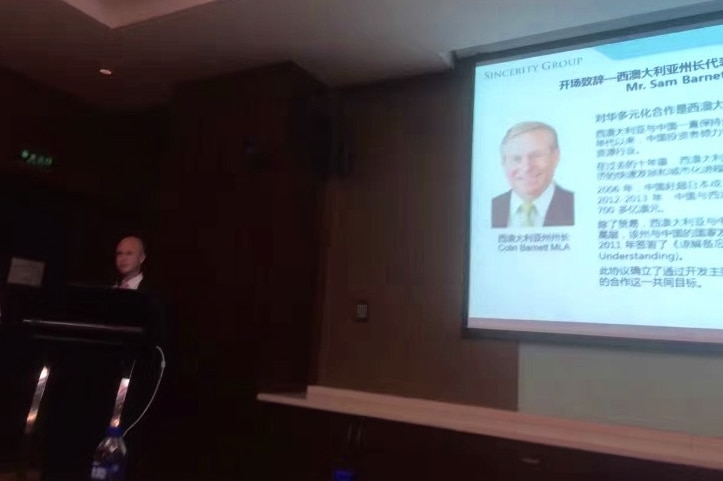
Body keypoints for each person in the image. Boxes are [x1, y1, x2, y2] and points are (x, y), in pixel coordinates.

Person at [491, 121, 574, 228]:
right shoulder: (490, 208)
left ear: (556, 157)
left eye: (536, 156)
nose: (527, 168)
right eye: (516, 159)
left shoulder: (575, 205)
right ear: (503, 163)